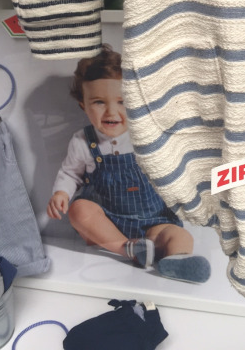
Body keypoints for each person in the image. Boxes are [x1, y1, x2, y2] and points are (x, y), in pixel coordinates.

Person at [47, 45, 210, 283]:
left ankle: (177, 261)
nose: (111, 111)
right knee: (79, 210)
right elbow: (71, 173)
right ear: (83, 104)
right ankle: (128, 249)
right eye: (99, 102)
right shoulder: (82, 141)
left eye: (122, 101)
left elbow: (172, 168)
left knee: (179, 235)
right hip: (107, 224)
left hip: (154, 221)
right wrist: (61, 192)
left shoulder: (147, 137)